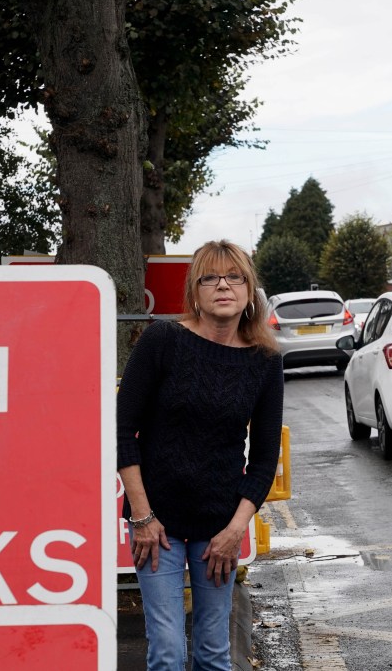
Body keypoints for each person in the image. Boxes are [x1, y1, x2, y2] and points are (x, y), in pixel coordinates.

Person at [117, 239, 284, 670]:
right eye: (210, 277)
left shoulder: (265, 361)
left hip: (219, 529)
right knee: (168, 653)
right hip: (158, 525)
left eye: (234, 277)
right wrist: (142, 517)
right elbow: (122, 430)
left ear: (250, 291)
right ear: (195, 290)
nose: (223, 286)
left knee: (213, 652)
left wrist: (235, 530)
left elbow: (264, 460)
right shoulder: (163, 341)